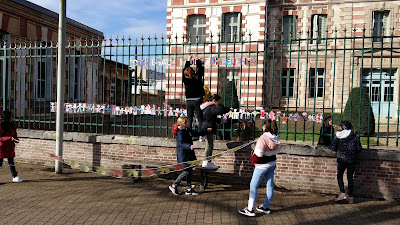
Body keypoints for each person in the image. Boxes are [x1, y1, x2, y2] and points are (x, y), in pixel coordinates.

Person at [239, 119, 280, 217]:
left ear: (265, 126)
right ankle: (265, 207)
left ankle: (250, 209)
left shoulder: (263, 138)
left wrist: (252, 160)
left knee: (253, 186)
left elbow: (258, 155)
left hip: (262, 166)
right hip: (272, 164)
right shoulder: (276, 137)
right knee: (269, 185)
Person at [169, 116, 211, 196]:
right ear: (183, 123)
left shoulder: (186, 130)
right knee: (186, 171)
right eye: (187, 122)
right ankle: (174, 185)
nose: (189, 123)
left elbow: (195, 133)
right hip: (183, 155)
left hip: (189, 154)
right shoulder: (180, 132)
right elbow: (181, 144)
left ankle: (189, 189)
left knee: (190, 171)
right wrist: (189, 146)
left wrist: (205, 131)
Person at [330, 121, 362, 204]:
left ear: (342, 127)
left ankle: (342, 193)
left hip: (341, 159)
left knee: (339, 175)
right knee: (350, 177)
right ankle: (351, 197)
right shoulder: (354, 136)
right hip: (352, 159)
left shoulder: (338, 136)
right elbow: (359, 148)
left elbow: (333, 147)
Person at [200, 94, 230, 169]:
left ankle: (206, 161)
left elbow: (210, 118)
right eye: (218, 101)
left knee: (209, 144)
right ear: (214, 101)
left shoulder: (205, 107)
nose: (219, 103)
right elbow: (221, 110)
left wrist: (220, 120)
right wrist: (229, 109)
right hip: (208, 127)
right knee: (209, 144)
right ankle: (207, 161)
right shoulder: (211, 107)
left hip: (205, 126)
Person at [183, 56, 205, 135]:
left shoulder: (185, 80)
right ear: (193, 72)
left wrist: (188, 61)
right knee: (199, 118)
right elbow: (201, 70)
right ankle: (200, 135)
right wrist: (197, 60)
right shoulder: (197, 78)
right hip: (196, 100)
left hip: (188, 100)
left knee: (189, 119)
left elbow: (184, 70)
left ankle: (189, 134)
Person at [0, 110, 23, 182]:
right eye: (11, 117)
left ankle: (15, 176)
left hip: (10, 147)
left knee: (11, 163)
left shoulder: (12, 125)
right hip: (2, 148)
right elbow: (0, 138)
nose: (12, 118)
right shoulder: (1, 126)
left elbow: (14, 134)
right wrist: (9, 138)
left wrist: (16, 139)